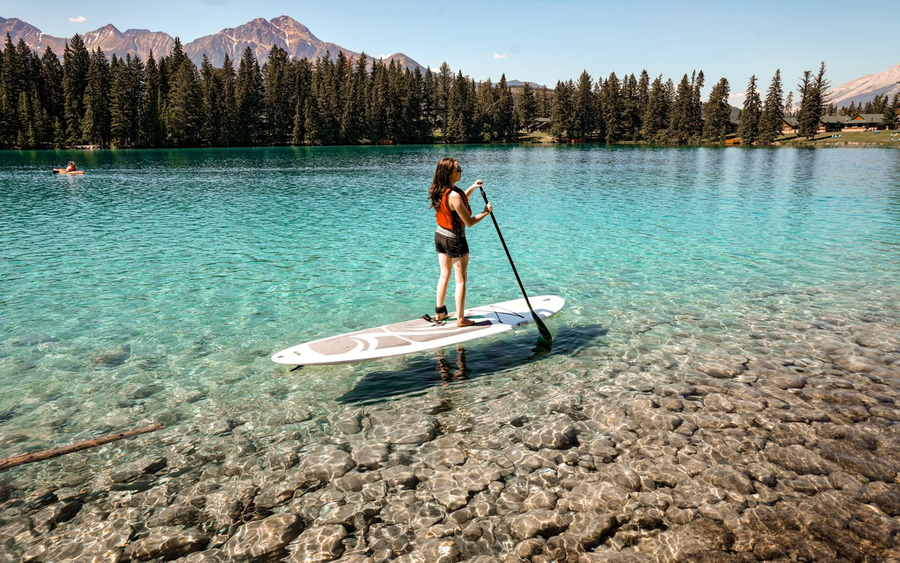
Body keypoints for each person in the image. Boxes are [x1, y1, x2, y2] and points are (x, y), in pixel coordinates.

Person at [428, 157, 492, 327]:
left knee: (444, 275)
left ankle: (440, 313)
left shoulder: (440, 190)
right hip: (455, 239)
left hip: (440, 236)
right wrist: (486, 212)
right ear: (449, 173)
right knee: (461, 280)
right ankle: (461, 320)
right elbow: (469, 222)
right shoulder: (454, 195)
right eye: (458, 169)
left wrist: (471, 187)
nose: (461, 171)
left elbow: (459, 202)